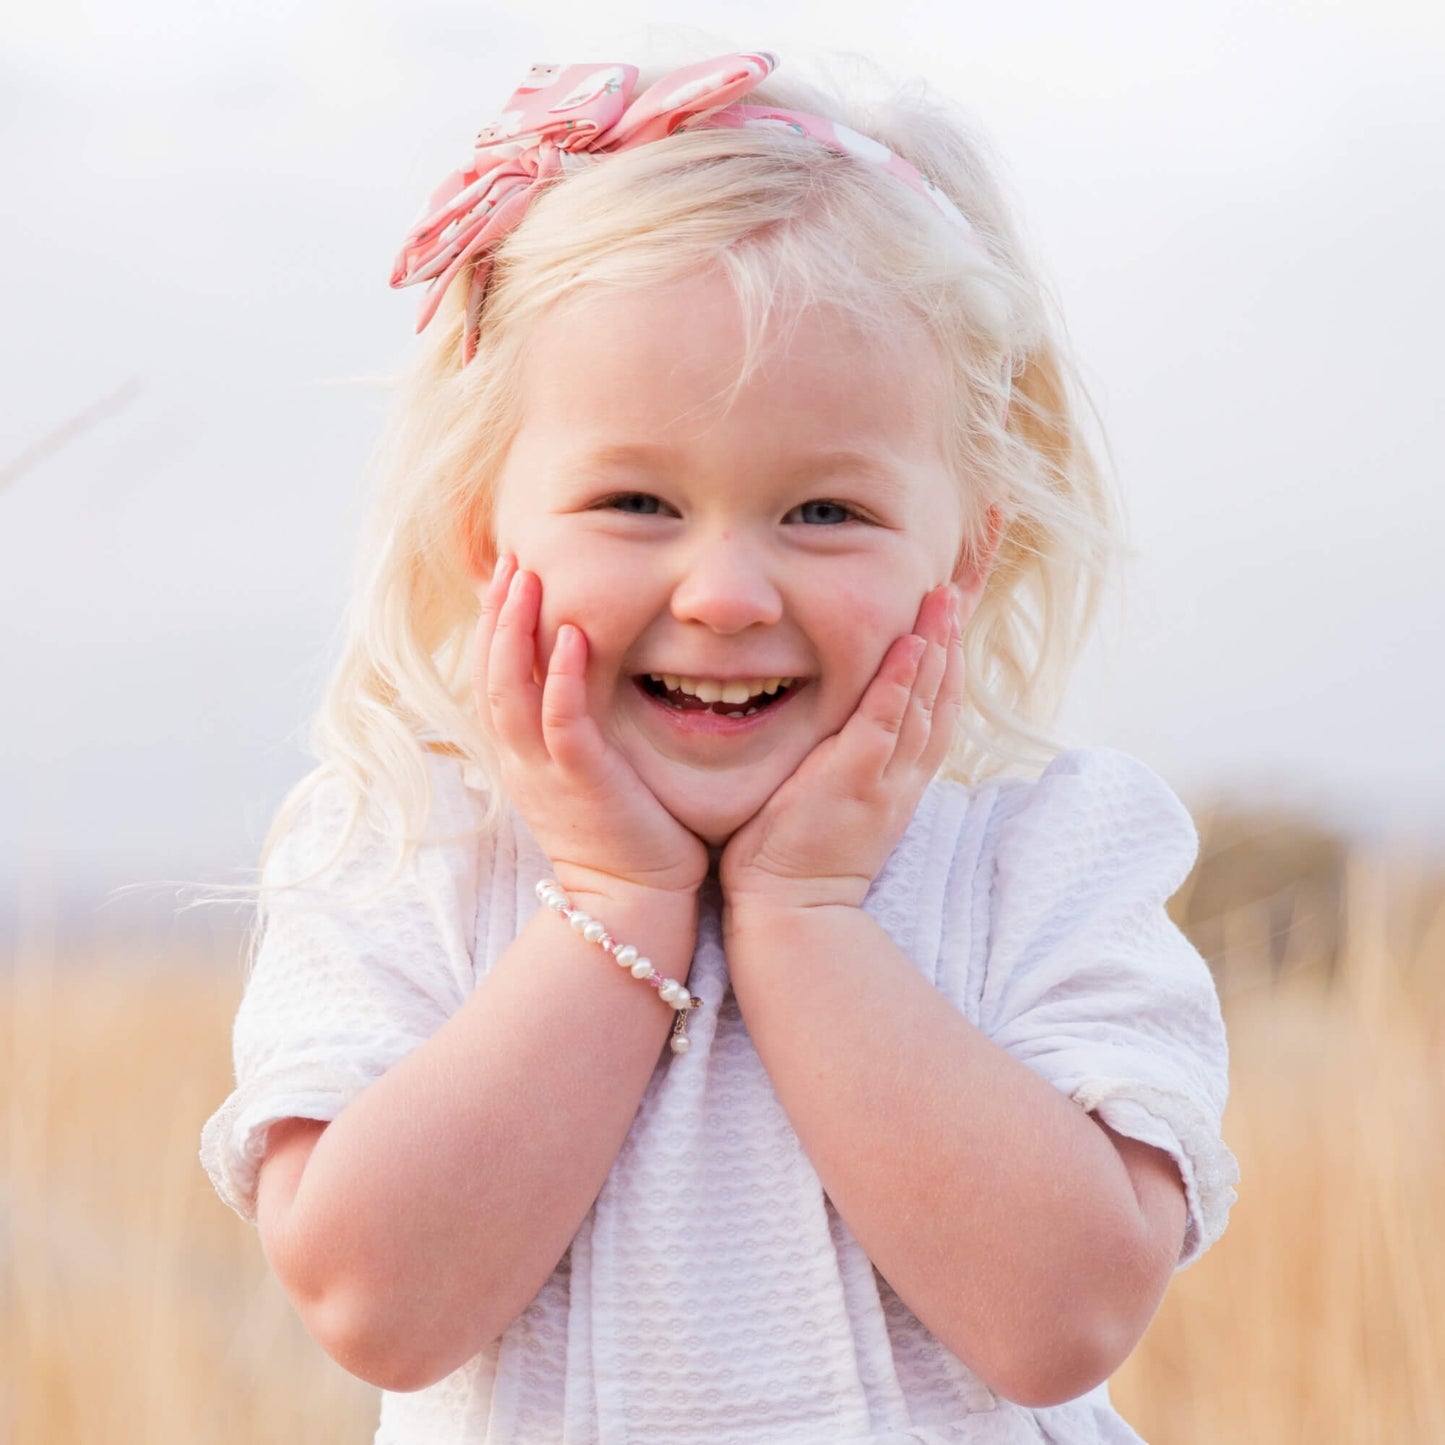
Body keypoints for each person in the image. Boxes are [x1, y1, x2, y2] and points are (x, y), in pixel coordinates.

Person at [200, 48, 1238, 1444]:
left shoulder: (1044, 844)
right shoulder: (407, 841)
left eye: (824, 514)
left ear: (966, 556)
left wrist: (804, 921)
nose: (726, 593)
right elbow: (378, 1302)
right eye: (634, 500)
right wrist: (612, 899)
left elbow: (1058, 1320)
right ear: (481, 535)